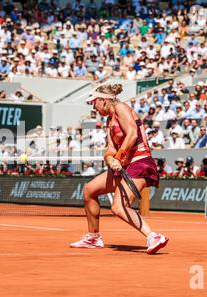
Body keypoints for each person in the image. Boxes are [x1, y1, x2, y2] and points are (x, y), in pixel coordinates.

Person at [70, 84, 168, 255]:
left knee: (119, 207)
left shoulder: (121, 108)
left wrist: (119, 156)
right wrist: (110, 158)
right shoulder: (109, 121)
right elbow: (110, 149)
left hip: (140, 162)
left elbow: (132, 134)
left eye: (95, 102)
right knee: (89, 190)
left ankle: (153, 236)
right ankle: (93, 238)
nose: (93, 106)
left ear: (104, 100)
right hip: (125, 165)